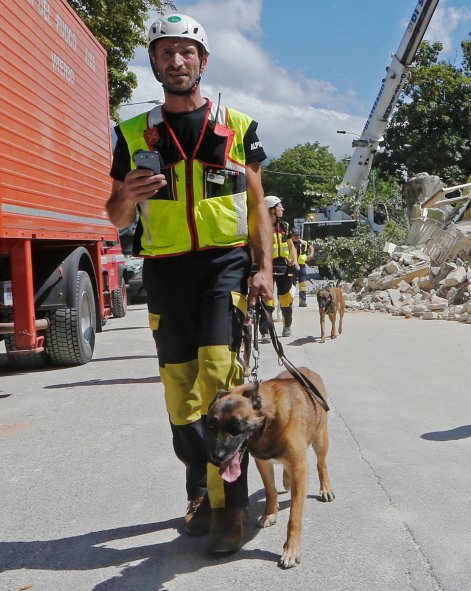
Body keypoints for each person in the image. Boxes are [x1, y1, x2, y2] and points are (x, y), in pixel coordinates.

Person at [105, 13, 273, 555]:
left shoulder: (238, 126)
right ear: (154, 62)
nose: (176, 61)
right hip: (165, 268)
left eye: (186, 52)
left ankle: (232, 510)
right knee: (180, 391)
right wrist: (128, 196)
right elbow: (113, 217)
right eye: (165, 52)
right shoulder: (132, 134)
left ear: (203, 61)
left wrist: (263, 268)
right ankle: (199, 492)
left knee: (222, 381)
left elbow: (255, 206)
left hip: (224, 265)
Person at [263, 195, 298, 336]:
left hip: (283, 266)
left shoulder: (285, 225)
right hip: (267, 267)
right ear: (272, 210)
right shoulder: (261, 226)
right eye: (279, 207)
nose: (282, 209)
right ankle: (265, 331)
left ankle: (287, 326)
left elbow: (291, 246)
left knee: (286, 299)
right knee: (267, 299)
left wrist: (294, 260)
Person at [290, 229, 315, 307]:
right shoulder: (288, 243)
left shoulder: (303, 243)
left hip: (302, 266)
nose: (297, 236)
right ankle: (289, 301)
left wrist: (311, 255)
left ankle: (302, 301)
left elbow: (311, 247)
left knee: (303, 284)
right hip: (292, 266)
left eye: (298, 235)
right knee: (291, 285)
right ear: (291, 236)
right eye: (295, 235)